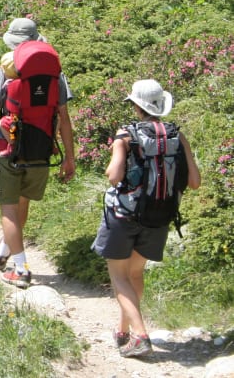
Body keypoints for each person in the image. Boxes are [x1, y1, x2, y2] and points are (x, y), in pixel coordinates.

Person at [91, 79, 201, 359]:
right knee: (135, 273)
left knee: (118, 277)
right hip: (159, 216)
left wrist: (118, 153)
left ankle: (140, 335)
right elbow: (195, 181)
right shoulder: (177, 135)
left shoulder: (126, 134)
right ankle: (122, 331)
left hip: (123, 215)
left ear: (136, 106)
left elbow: (113, 175)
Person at [0, 17, 76, 288]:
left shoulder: (3, 73)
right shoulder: (56, 77)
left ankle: (20, 269)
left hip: (8, 149)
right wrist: (70, 157)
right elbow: (64, 119)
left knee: (8, 210)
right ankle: (4, 252)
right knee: (22, 203)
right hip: (42, 151)